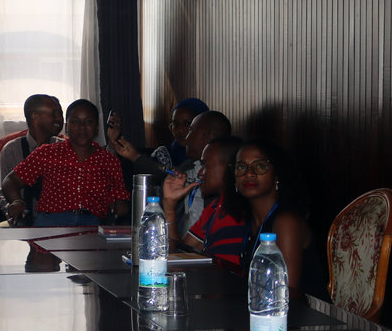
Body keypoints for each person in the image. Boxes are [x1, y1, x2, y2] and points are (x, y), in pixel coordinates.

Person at [222, 139, 323, 299]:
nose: (249, 173)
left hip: (300, 311)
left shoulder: (286, 222)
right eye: (241, 167)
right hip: (263, 306)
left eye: (260, 166)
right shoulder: (251, 221)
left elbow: (287, 292)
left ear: (277, 175)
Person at [3, 99, 129, 227]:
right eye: (75, 122)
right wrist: (17, 201)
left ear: (96, 128)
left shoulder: (108, 160)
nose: (82, 127)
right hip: (51, 222)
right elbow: (10, 180)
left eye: (88, 122)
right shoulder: (48, 152)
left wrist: (119, 205)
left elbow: (121, 200)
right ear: (67, 127)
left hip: (91, 224)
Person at [112, 109, 231, 236]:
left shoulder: (219, 195)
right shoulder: (190, 165)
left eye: (190, 130)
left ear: (205, 135)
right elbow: (167, 175)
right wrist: (134, 157)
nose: (186, 137)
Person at [0, 94, 64, 224]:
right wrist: (9, 208)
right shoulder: (11, 147)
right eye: (53, 113)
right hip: (19, 218)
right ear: (35, 116)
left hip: (57, 219)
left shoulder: (66, 147)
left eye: (61, 114)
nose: (59, 119)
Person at [162, 136, 247, 268]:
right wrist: (169, 206)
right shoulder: (215, 207)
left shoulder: (238, 214)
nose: (200, 172)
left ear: (229, 169)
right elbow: (181, 254)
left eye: (205, 165)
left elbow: (225, 272)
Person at [164, 97, 209, 166]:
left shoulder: (215, 157)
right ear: (170, 127)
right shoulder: (163, 156)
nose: (180, 130)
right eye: (176, 124)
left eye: (187, 124)